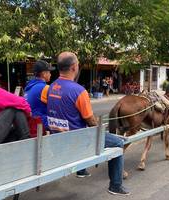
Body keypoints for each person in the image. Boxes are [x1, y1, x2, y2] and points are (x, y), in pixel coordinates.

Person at [46, 52, 130, 195]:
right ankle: (115, 185)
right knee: (118, 143)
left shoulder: (51, 87)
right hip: (78, 142)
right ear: (73, 67)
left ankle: (83, 171)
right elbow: (90, 120)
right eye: (78, 64)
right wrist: (101, 131)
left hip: (57, 139)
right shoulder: (79, 91)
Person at [24, 60, 55, 133]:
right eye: (49, 72)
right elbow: (56, 107)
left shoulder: (28, 88)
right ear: (44, 74)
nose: (50, 74)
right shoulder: (45, 88)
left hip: (30, 125)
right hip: (42, 125)